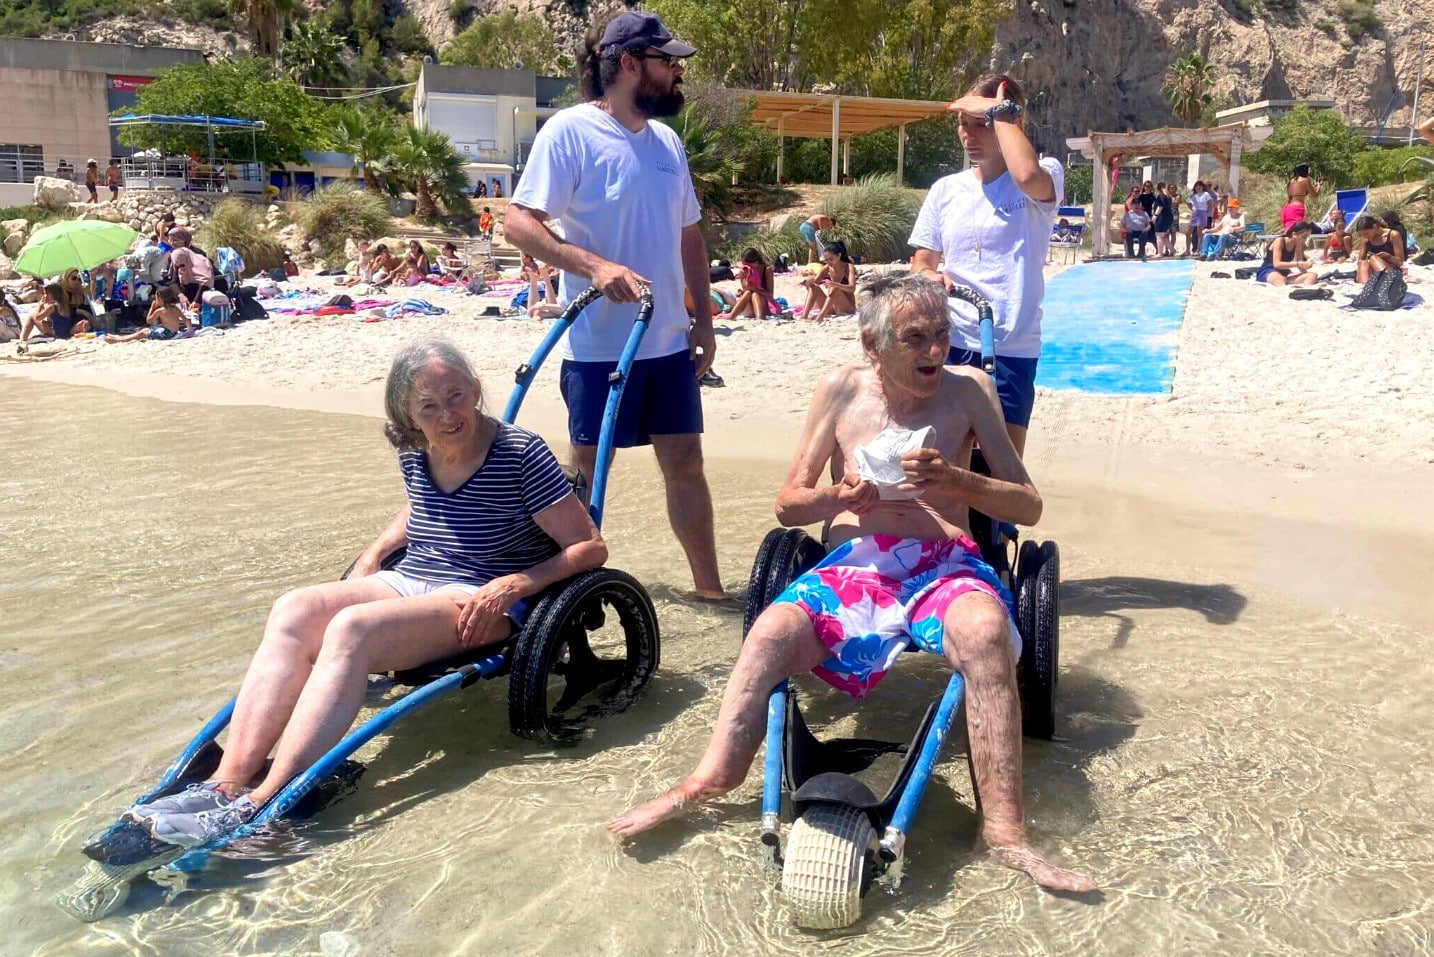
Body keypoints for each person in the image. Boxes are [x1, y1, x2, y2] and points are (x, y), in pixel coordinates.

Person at [607, 275, 1095, 892]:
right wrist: (837, 496)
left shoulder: (969, 391)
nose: (935, 350)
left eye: (942, 333)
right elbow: (788, 505)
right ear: (873, 344)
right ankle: (707, 782)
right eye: (916, 338)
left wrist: (955, 481)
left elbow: (1026, 506)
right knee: (770, 631)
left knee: (985, 627)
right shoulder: (841, 390)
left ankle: (1002, 832)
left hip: (942, 561)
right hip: (854, 565)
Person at [128, 339, 608, 848]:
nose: (448, 415)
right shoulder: (415, 451)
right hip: (414, 577)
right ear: (408, 416)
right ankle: (225, 783)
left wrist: (518, 582)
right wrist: (375, 551)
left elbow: (590, 547)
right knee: (293, 608)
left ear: (475, 391)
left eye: (456, 396)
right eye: (429, 406)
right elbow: (419, 509)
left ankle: (264, 797)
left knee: (351, 628)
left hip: (482, 596)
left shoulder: (520, 453)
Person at [504, 10, 725, 600]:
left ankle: (711, 593)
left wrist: (703, 323)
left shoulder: (667, 143)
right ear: (628, 65)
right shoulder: (570, 132)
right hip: (598, 347)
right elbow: (518, 224)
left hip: (668, 343)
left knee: (687, 468)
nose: (678, 72)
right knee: (584, 478)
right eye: (667, 61)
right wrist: (595, 267)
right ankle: (569, 598)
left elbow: (690, 238)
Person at [909, 73, 1062, 457]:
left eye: (981, 124)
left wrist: (1002, 113)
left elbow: (1026, 175)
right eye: (963, 123)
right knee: (947, 461)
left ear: (1014, 123)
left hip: (1011, 345)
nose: (967, 134)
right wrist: (930, 276)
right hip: (950, 342)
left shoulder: (1046, 173)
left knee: (1001, 468)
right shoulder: (946, 189)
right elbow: (922, 262)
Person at [104, 285, 191, 342]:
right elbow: (186, 321)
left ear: (161, 299)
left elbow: (148, 320)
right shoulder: (176, 308)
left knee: (142, 333)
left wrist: (152, 307)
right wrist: (189, 331)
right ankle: (118, 338)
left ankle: (118, 339)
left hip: (166, 335)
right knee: (144, 331)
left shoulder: (160, 311)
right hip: (173, 333)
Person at [799, 241, 857, 321]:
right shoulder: (826, 268)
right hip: (831, 307)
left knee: (834, 288)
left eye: (831, 259)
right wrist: (809, 282)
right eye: (826, 260)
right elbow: (813, 286)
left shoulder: (848, 267)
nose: (829, 262)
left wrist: (835, 284)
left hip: (847, 307)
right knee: (814, 287)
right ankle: (804, 316)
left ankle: (820, 316)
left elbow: (852, 288)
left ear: (839, 255)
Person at [721, 248, 779, 320]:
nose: (746, 267)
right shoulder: (743, 271)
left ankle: (759, 318)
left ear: (756, 263)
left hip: (764, 302)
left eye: (748, 265)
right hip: (749, 303)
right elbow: (746, 290)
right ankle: (731, 316)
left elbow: (770, 294)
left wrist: (756, 290)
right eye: (744, 265)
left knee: (755, 294)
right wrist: (745, 276)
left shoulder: (766, 270)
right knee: (748, 292)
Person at [1256, 221, 1317, 286]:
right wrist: (1300, 264)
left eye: (1307, 237)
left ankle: (1308, 290)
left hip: (1284, 271)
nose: (1305, 239)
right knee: (1280, 279)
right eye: (1304, 236)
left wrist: (1305, 271)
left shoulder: (1298, 243)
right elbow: (1277, 264)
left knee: (1312, 275)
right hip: (1269, 269)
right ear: (1294, 234)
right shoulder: (1280, 241)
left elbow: (1300, 264)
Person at [25, 283, 90, 340]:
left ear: (53, 295)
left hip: (56, 333)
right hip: (67, 332)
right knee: (48, 322)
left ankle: (23, 339)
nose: (45, 296)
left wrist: (40, 305)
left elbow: (37, 317)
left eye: (46, 293)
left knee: (31, 316)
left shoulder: (52, 307)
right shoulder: (64, 304)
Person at [167, 228, 214, 307]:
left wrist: (197, 301)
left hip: (201, 293)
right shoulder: (175, 255)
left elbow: (205, 279)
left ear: (184, 240)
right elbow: (174, 280)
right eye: (170, 240)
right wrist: (180, 295)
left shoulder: (197, 254)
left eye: (175, 240)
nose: (172, 243)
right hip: (186, 293)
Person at [1353, 214, 1405, 283]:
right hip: (1373, 271)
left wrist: (1388, 256)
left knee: (1374, 258)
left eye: (1366, 233)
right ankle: (1365, 287)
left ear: (1374, 227)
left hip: (1390, 269)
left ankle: (1388, 281)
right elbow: (1360, 260)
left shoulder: (1392, 235)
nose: (1364, 236)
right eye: (1361, 234)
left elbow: (1400, 262)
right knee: (1363, 263)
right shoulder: (1365, 239)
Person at [1282, 164, 1323, 232]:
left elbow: (1298, 193)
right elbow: (1314, 195)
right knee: (1298, 232)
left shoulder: (1291, 181)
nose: (1309, 173)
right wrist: (1319, 186)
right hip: (1297, 208)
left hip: (1287, 208)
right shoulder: (1305, 180)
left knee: (1290, 233)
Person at [1186, 181, 1215, 256]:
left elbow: (1211, 204)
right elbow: (1188, 202)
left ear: (1202, 187)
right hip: (1195, 213)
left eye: (1200, 186)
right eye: (1196, 186)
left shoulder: (1206, 194)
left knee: (1199, 232)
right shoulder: (1193, 195)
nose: (1198, 187)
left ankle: (1198, 250)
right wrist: (1192, 209)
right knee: (1188, 232)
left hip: (1202, 213)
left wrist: (1206, 212)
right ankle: (1187, 250)